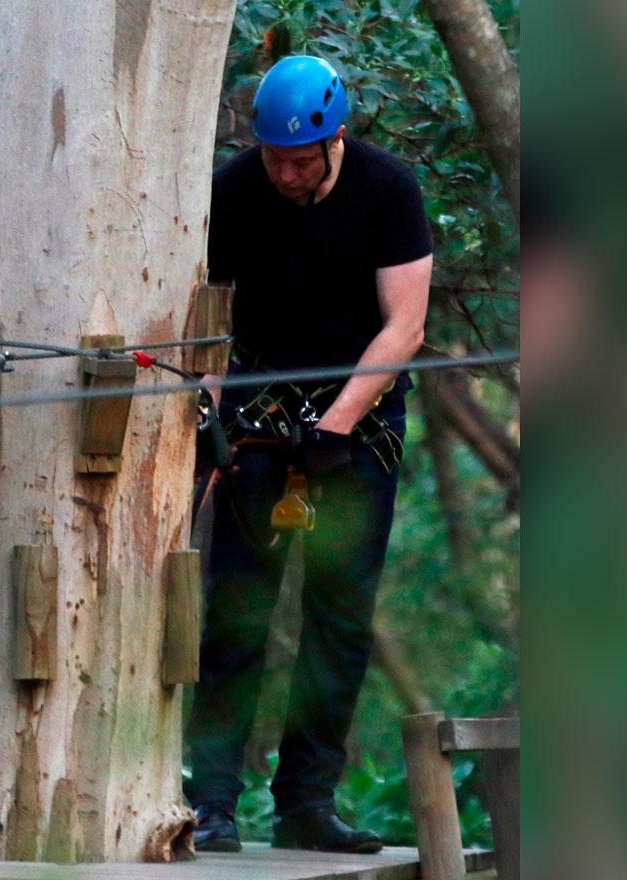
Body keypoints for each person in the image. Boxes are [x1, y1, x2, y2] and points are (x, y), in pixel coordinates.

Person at [186, 55, 433, 854]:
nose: (287, 174)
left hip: (359, 413)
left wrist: (335, 425)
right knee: (238, 603)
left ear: (335, 139)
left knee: (339, 616)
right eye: (275, 158)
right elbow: (209, 315)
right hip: (257, 405)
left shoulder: (388, 190)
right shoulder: (230, 190)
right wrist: (211, 416)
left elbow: (404, 327)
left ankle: (306, 801)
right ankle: (213, 800)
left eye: (302, 159)